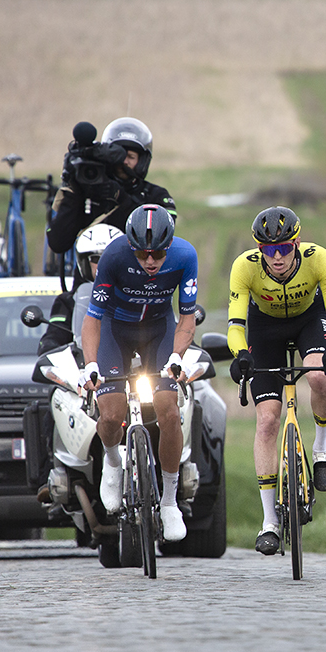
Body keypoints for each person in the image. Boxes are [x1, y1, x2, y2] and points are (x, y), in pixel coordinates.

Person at [225, 206, 326, 556]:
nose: (277, 257)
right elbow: (236, 326)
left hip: (309, 319)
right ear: (258, 250)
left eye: (284, 249)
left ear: (297, 243)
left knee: (321, 376)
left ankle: (321, 448)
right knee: (266, 421)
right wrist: (240, 356)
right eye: (268, 250)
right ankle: (269, 522)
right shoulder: (244, 267)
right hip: (265, 330)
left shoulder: (318, 258)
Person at [80, 204, 199, 543]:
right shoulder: (115, 256)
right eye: (143, 253)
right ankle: (113, 464)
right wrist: (90, 363)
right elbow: (92, 317)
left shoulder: (185, 255)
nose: (150, 261)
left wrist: (177, 356)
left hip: (159, 332)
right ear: (131, 247)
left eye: (158, 253)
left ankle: (169, 501)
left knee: (170, 411)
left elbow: (187, 317)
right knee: (111, 414)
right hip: (115, 330)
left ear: (170, 245)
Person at [46, 117, 177, 255]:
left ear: (143, 161)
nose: (124, 162)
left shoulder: (156, 195)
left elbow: (158, 238)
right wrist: (74, 191)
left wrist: (121, 198)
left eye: (130, 157)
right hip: (89, 274)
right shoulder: (86, 191)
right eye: (118, 156)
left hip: (134, 274)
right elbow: (58, 243)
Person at [38, 224, 124, 354]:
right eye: (96, 258)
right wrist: (51, 347)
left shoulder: (137, 296)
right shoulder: (68, 301)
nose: (103, 263)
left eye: (109, 257)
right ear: (83, 262)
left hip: (130, 367)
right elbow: (54, 336)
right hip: (84, 368)